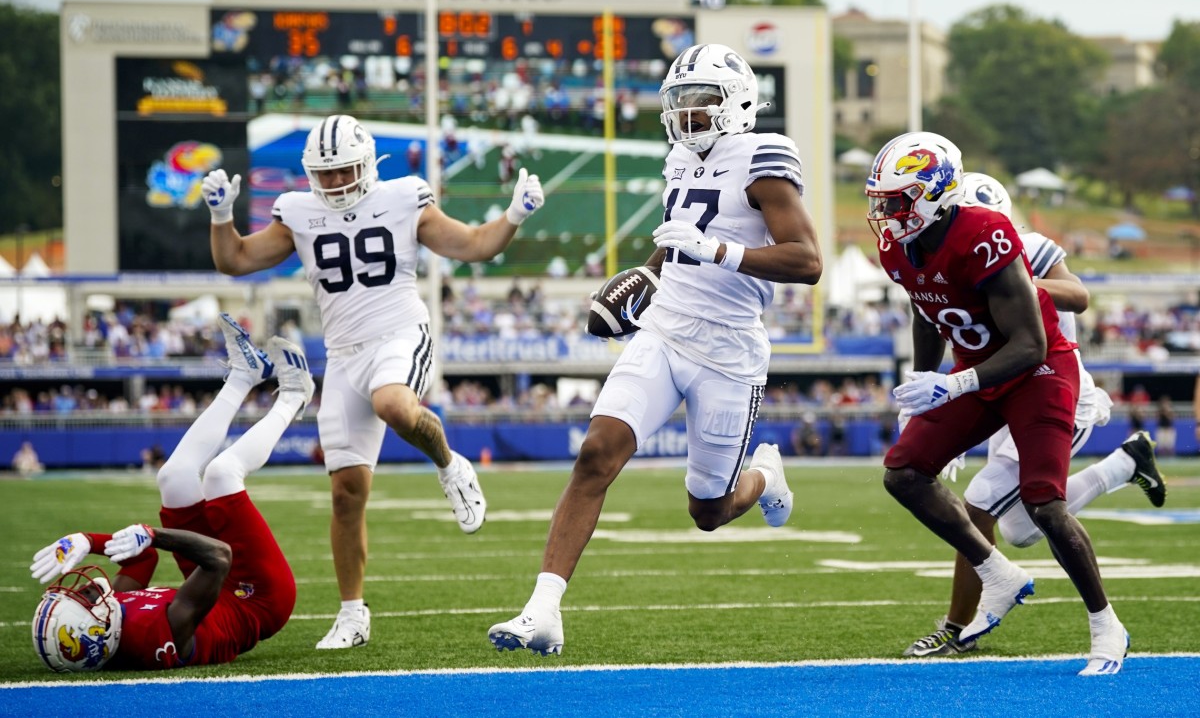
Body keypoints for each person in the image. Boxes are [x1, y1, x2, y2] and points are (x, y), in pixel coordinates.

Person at [488, 43, 823, 656]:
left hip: (728, 350)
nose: (689, 114)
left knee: (708, 510)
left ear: (739, 103)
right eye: (681, 102)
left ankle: (766, 474)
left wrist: (719, 252)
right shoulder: (678, 157)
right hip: (665, 331)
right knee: (595, 454)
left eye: (704, 101)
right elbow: (677, 242)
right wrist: (643, 279)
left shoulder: (763, 157)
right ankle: (543, 610)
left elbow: (807, 261)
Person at [201, 114, 544, 650]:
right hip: (343, 356)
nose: (336, 183)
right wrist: (221, 215)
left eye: (345, 171)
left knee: (394, 404)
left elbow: (475, 245)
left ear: (368, 164)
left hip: (400, 333)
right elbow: (236, 260)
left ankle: (451, 465)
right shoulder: (298, 211)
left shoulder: (404, 197)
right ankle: (352, 613)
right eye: (327, 173)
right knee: (346, 493)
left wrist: (514, 215)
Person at [866, 131, 1128, 676]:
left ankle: (1106, 624)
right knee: (904, 472)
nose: (886, 214)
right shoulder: (897, 245)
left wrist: (955, 385)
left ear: (935, 192)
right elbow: (925, 307)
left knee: (1044, 505)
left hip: (1040, 370)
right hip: (978, 369)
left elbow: (1031, 344)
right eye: (881, 202)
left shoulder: (986, 233)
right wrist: (922, 381)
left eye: (896, 201)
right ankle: (998, 573)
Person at [901, 172, 1167, 658]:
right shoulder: (934, 246)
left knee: (996, 505)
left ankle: (958, 626)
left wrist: (1008, 277)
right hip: (994, 383)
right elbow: (929, 315)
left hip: (1051, 382)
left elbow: (1079, 296)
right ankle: (1127, 464)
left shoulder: (1019, 246)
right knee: (1019, 529)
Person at [28, 314, 314, 671]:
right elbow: (219, 557)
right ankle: (295, 397)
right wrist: (153, 534)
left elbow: (142, 560)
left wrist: (88, 539)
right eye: (82, 600)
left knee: (174, 477)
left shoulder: (111, 622)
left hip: (213, 582)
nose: (83, 590)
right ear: (93, 632)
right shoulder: (157, 635)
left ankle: (244, 375)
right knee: (222, 475)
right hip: (256, 597)